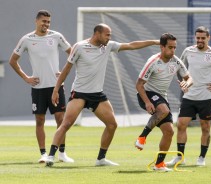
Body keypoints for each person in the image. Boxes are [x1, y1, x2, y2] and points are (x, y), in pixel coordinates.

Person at [45, 23, 160, 167]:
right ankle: (50, 156)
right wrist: (56, 89)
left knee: (112, 125)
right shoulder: (79, 47)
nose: (109, 37)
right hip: (79, 93)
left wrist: (154, 42)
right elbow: (66, 70)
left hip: (97, 95)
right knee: (66, 124)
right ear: (97, 33)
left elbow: (131, 45)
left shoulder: (108, 46)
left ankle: (101, 159)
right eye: (107, 34)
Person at [9, 10, 74, 163]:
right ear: (36, 21)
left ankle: (62, 154)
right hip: (38, 88)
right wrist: (26, 78)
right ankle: (43, 154)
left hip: (56, 87)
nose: (46, 24)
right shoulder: (27, 39)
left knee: (60, 119)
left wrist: (63, 72)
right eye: (44, 21)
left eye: (48, 22)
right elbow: (13, 61)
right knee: (40, 120)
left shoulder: (56, 36)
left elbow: (73, 53)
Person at [166, 26, 211, 167]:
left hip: (206, 97)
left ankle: (201, 157)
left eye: (203, 38)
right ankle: (180, 157)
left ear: (208, 38)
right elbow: (179, 66)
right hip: (189, 96)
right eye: (198, 38)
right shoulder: (188, 51)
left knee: (205, 127)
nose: (200, 40)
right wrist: (183, 82)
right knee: (181, 125)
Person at [134, 33, 193, 171]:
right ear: (162, 47)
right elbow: (139, 85)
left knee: (169, 132)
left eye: (174, 48)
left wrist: (186, 84)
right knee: (164, 110)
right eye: (170, 47)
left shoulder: (176, 61)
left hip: (161, 97)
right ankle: (142, 137)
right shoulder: (153, 61)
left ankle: (159, 164)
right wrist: (148, 102)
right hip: (146, 95)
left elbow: (189, 78)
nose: (173, 51)